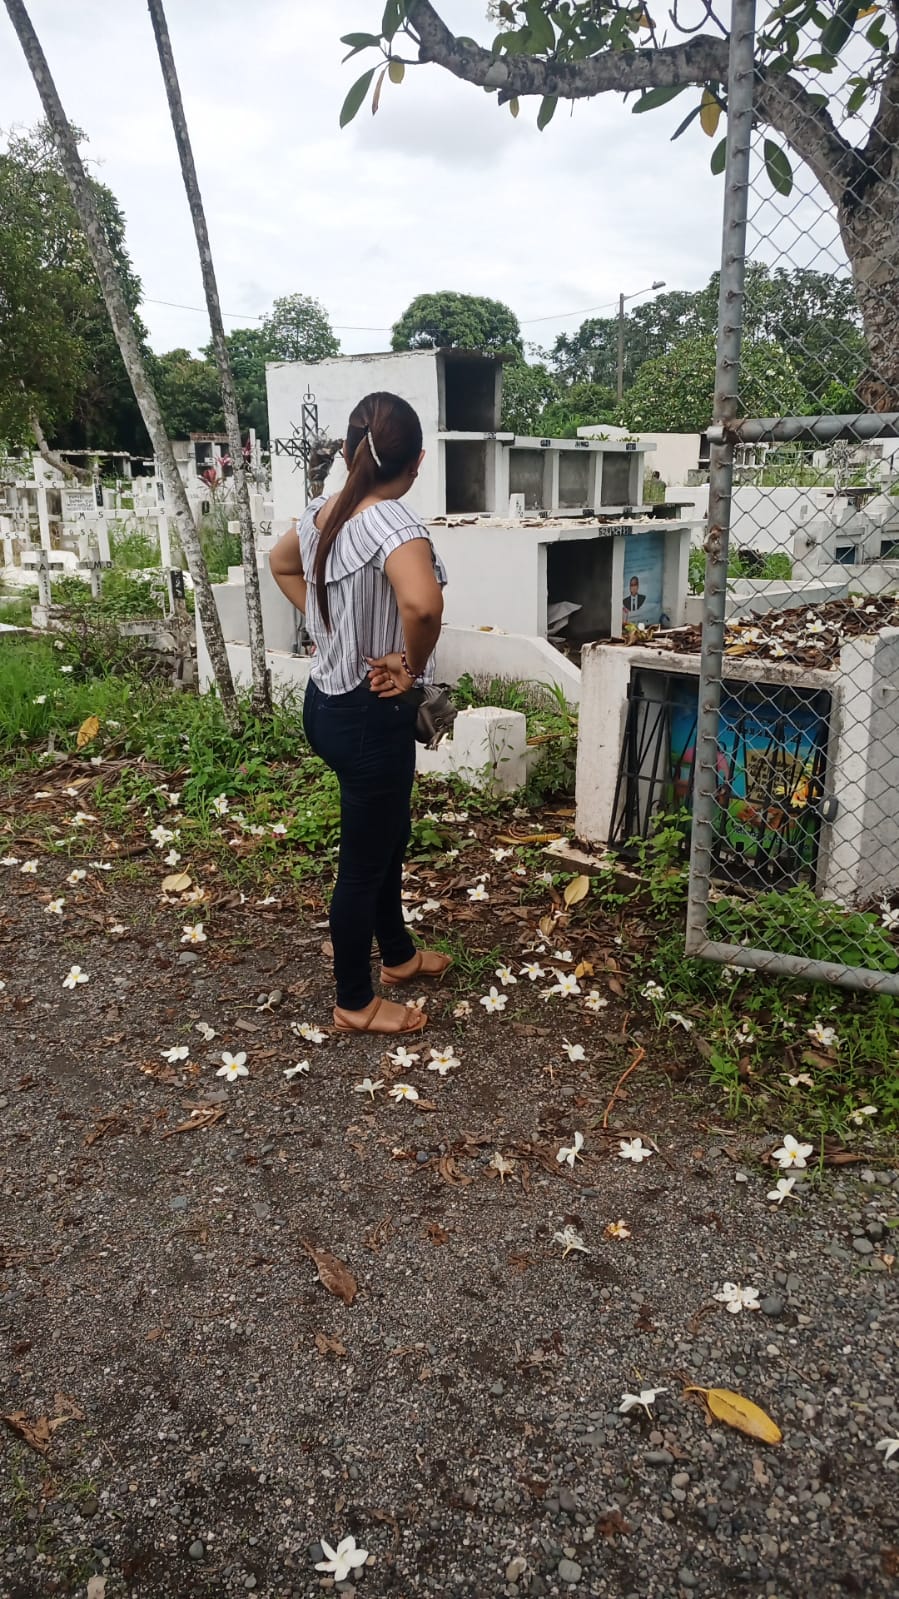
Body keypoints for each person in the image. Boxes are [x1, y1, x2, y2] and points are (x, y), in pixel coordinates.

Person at [268, 391, 449, 1036]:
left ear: (348, 452)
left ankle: (397, 956)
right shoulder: (395, 525)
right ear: (417, 462)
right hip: (370, 714)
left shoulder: (324, 511)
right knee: (366, 862)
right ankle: (353, 1000)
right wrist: (410, 667)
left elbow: (280, 564)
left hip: (327, 702)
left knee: (386, 836)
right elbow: (423, 606)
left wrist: (328, 624)